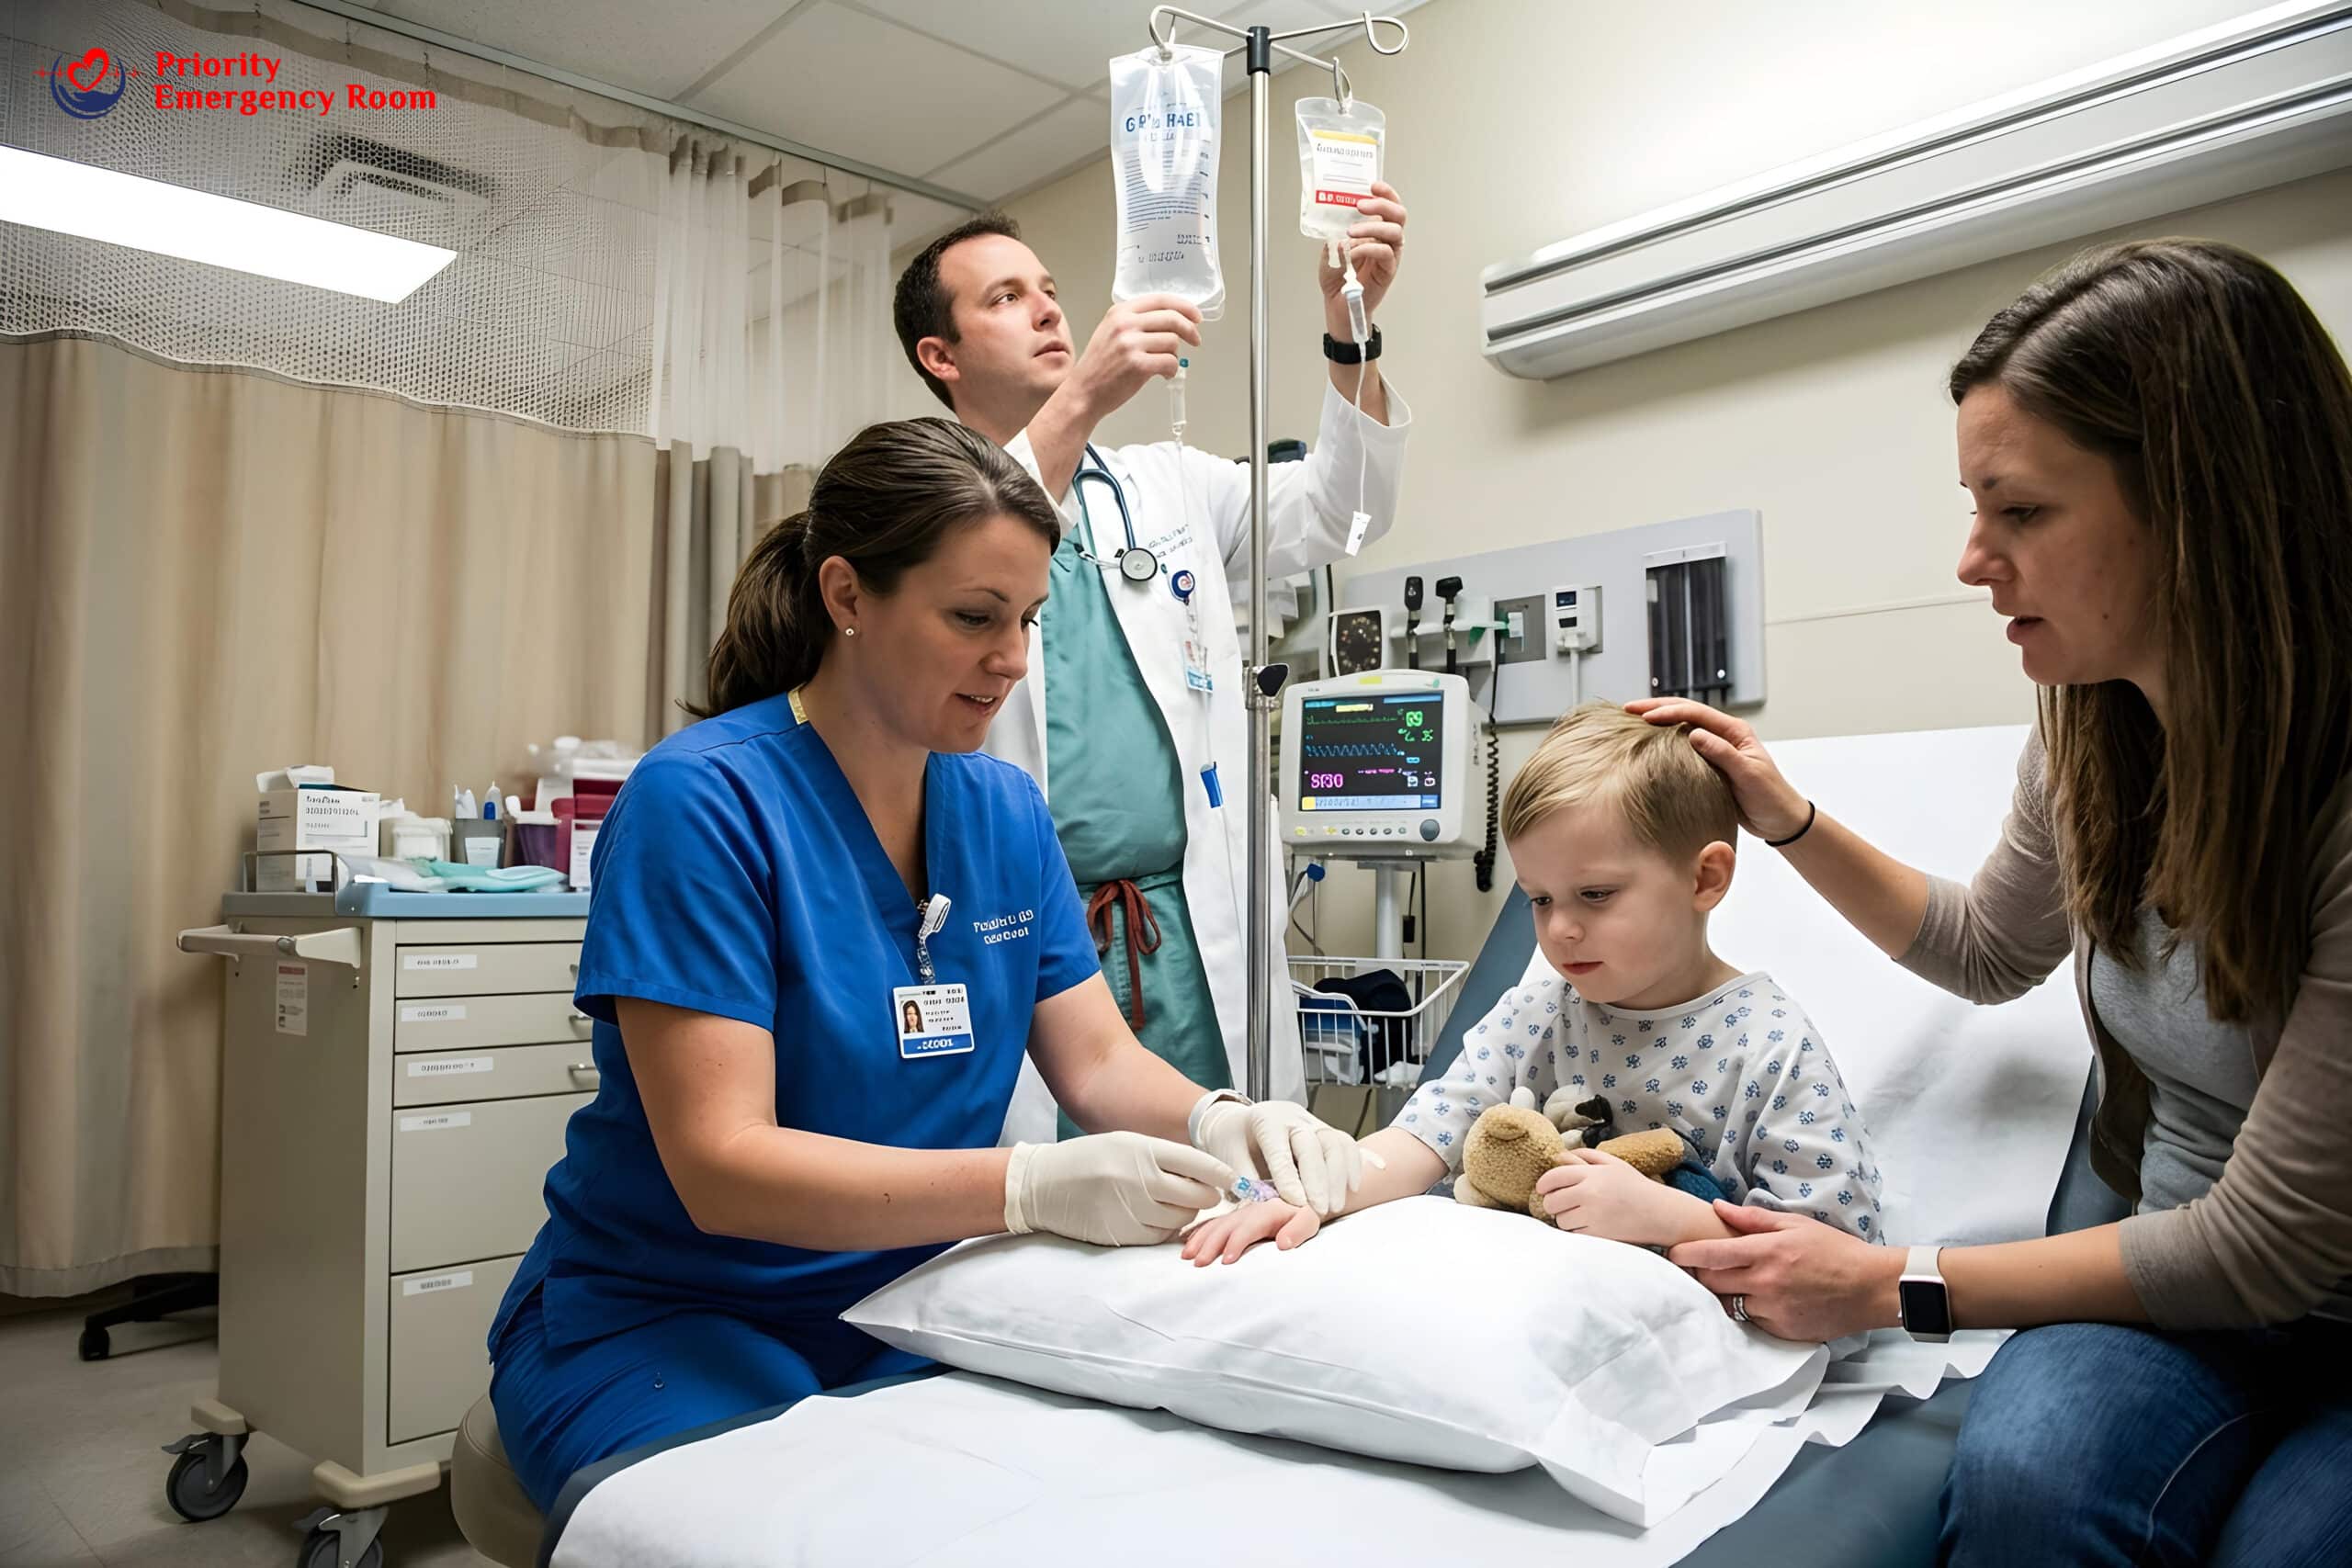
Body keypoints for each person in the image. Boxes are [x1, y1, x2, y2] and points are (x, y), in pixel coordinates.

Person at [484, 419, 1361, 1511]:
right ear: (847, 596)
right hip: (671, 1312)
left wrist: (1219, 1119)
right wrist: (1027, 1186)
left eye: (1029, 619)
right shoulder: (701, 803)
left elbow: (1095, 1064)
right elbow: (721, 1164)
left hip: (918, 1292)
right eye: (973, 618)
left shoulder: (1002, 810)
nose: (1013, 659)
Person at [1640, 239, 2352, 1566]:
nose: (1973, 560)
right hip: (2179, 1308)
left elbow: (2274, 1240)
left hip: (2301, 1286)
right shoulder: (2094, 731)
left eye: (2019, 512)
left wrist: (1890, 1280)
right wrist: (1783, 813)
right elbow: (1987, 945)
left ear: (2196, 506)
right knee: (2031, 1480)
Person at [889, 193, 1413, 1142]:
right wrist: (1081, 399)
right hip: (1028, 938)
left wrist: (1350, 333)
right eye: (1006, 298)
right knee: (1051, 1229)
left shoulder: (1165, 484)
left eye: (1049, 289)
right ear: (941, 355)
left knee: (1231, 1194)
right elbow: (965, 544)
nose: (1050, 310)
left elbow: (1345, 514)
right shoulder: (904, 497)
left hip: (1184, 928)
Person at [1183, 701, 1883, 1264]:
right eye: (1540, 899)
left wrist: (1673, 1217)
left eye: (1597, 895)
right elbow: (1423, 1137)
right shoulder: (1535, 1014)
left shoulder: (1767, 1045)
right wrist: (1314, 1192)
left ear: (1705, 878)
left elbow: (1842, 1260)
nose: (1560, 930)